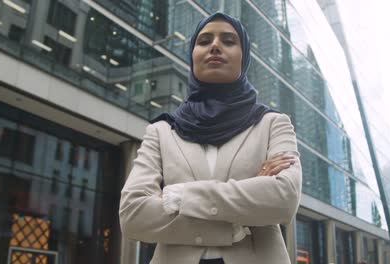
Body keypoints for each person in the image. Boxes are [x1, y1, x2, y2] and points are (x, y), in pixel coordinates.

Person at [119, 12, 302, 264]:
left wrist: (181, 196)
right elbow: (133, 216)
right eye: (204, 41)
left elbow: (284, 199)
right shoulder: (161, 131)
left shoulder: (272, 124)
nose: (215, 46)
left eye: (228, 41)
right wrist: (242, 211)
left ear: (244, 56)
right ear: (192, 56)